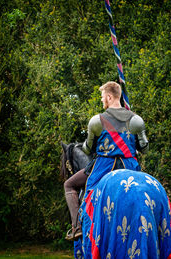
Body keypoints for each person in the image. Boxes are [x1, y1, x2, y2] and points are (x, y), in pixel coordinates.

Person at [64, 81, 149, 241]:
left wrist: (88, 143)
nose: (102, 100)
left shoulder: (97, 121)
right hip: (130, 167)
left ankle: (77, 228)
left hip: (104, 168)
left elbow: (88, 150)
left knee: (69, 185)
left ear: (109, 97)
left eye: (103, 97)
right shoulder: (136, 120)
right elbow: (144, 149)